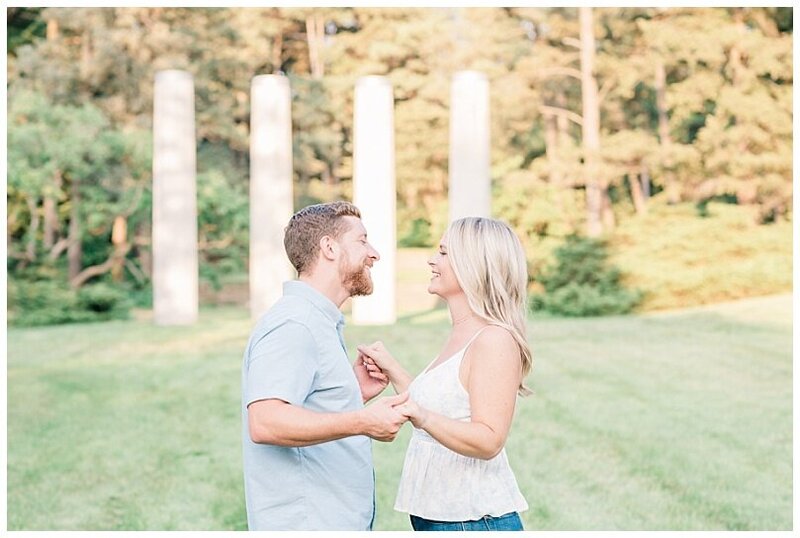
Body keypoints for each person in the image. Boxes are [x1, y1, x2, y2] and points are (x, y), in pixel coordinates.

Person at [241, 201, 408, 531]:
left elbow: (301, 408)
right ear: (329, 248)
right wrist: (362, 420)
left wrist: (351, 395)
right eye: (362, 240)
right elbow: (266, 422)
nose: (374, 253)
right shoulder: (295, 324)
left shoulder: (315, 321)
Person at [358, 216, 532, 532]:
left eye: (443, 252)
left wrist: (420, 416)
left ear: (472, 265)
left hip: (473, 521)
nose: (431, 259)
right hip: (442, 518)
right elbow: (446, 410)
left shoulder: (493, 339)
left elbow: (489, 439)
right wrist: (393, 369)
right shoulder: (463, 334)